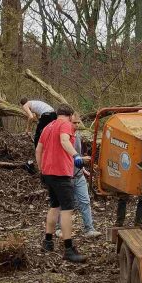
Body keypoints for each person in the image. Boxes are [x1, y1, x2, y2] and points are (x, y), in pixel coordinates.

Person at [36, 103, 86, 263]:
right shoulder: (65, 124)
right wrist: (76, 155)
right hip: (61, 173)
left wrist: (41, 169)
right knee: (67, 210)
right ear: (70, 116)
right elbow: (64, 141)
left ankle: (48, 242)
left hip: (48, 173)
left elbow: (38, 149)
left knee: (54, 206)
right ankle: (69, 249)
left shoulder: (48, 126)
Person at [70, 114, 100, 239]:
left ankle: (89, 229)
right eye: (74, 123)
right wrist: (82, 159)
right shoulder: (64, 137)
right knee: (66, 204)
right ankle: (59, 228)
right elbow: (65, 157)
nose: (77, 125)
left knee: (85, 201)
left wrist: (83, 168)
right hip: (66, 176)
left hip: (78, 174)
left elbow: (77, 155)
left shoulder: (78, 137)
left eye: (78, 123)